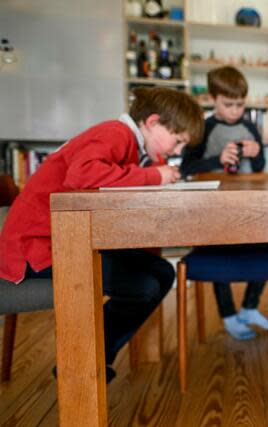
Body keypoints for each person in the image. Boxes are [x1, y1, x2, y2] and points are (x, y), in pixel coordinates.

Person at [0, 87, 204, 383]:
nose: (177, 151)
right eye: (178, 140)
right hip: (36, 250)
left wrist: (154, 169)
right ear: (153, 122)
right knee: (143, 285)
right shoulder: (116, 133)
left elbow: (119, 178)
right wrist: (154, 175)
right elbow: (82, 177)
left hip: (67, 242)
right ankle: (83, 364)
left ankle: (95, 356)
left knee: (162, 271)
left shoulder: (132, 145)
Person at [180, 65, 268, 340]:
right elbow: (187, 166)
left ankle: (249, 307)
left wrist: (258, 152)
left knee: (267, 247)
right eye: (228, 104)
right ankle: (228, 315)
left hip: (250, 203)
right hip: (213, 207)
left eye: (240, 104)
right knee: (218, 256)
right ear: (212, 99)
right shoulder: (204, 127)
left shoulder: (250, 126)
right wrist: (216, 160)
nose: (236, 110)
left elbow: (259, 166)